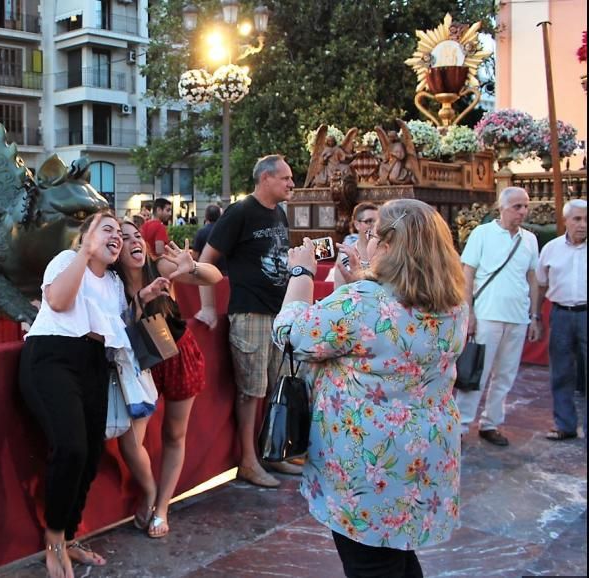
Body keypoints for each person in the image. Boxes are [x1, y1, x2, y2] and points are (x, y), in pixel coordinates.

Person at [273, 199, 468, 578]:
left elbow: (291, 336)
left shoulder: (364, 303)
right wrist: (361, 278)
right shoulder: (452, 302)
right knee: (396, 556)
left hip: (368, 461)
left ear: (390, 246)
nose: (368, 241)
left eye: (374, 234)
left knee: (371, 565)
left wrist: (301, 272)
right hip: (427, 451)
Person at [19, 212, 168, 578]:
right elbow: (57, 302)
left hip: (93, 363)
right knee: (70, 447)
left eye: (120, 232)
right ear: (86, 236)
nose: (117, 236)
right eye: (108, 229)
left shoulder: (116, 284)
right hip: (51, 356)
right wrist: (84, 253)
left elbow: (116, 326)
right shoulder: (68, 261)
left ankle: (69, 536)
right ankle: (54, 540)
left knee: (90, 453)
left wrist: (142, 299)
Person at [195, 154, 300, 487]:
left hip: (278, 312)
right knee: (250, 392)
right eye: (285, 178)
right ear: (266, 177)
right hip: (250, 311)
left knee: (276, 387)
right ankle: (247, 460)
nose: (291, 183)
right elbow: (206, 259)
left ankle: (272, 452)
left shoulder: (279, 213)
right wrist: (208, 307)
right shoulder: (240, 212)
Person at [114, 220, 222, 539]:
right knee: (130, 440)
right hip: (139, 363)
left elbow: (214, 277)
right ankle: (148, 492)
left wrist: (195, 268)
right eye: (124, 238)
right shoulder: (110, 280)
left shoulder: (158, 265)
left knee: (174, 433)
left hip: (176, 353)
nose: (134, 242)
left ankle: (162, 507)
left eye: (137, 236)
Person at [456, 186, 541, 447]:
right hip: (487, 315)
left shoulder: (529, 239)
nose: (523, 211)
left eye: (526, 206)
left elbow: (533, 278)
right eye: (517, 206)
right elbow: (467, 274)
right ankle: (459, 426)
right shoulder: (482, 233)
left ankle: (490, 423)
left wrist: (534, 315)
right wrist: (468, 313)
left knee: (505, 374)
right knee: (476, 373)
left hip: (517, 317)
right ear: (502, 207)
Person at [534, 198, 587, 442]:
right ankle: (565, 425)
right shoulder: (551, 249)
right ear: (566, 220)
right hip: (561, 316)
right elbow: (540, 285)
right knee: (561, 372)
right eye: (577, 219)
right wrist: (536, 317)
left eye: (586, 220)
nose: (583, 224)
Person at [330, 202, 378, 281]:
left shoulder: (386, 252)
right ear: (357, 225)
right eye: (369, 221)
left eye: (377, 222)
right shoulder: (345, 255)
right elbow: (339, 290)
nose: (374, 226)